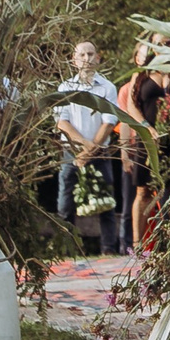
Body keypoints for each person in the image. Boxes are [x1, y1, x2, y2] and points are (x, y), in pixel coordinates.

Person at [53, 41, 121, 255]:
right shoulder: (65, 88)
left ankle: (109, 251)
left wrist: (90, 151)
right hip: (71, 154)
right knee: (65, 205)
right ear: (74, 60)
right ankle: (67, 251)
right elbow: (61, 122)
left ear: (98, 58)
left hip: (100, 153)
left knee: (106, 204)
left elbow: (109, 122)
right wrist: (83, 147)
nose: (87, 58)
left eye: (91, 54)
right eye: (82, 54)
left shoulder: (107, 88)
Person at [117, 37, 170, 252]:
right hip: (147, 139)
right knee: (143, 191)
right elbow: (131, 107)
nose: (164, 46)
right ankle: (137, 244)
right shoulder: (141, 75)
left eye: (169, 42)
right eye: (159, 42)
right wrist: (146, 126)